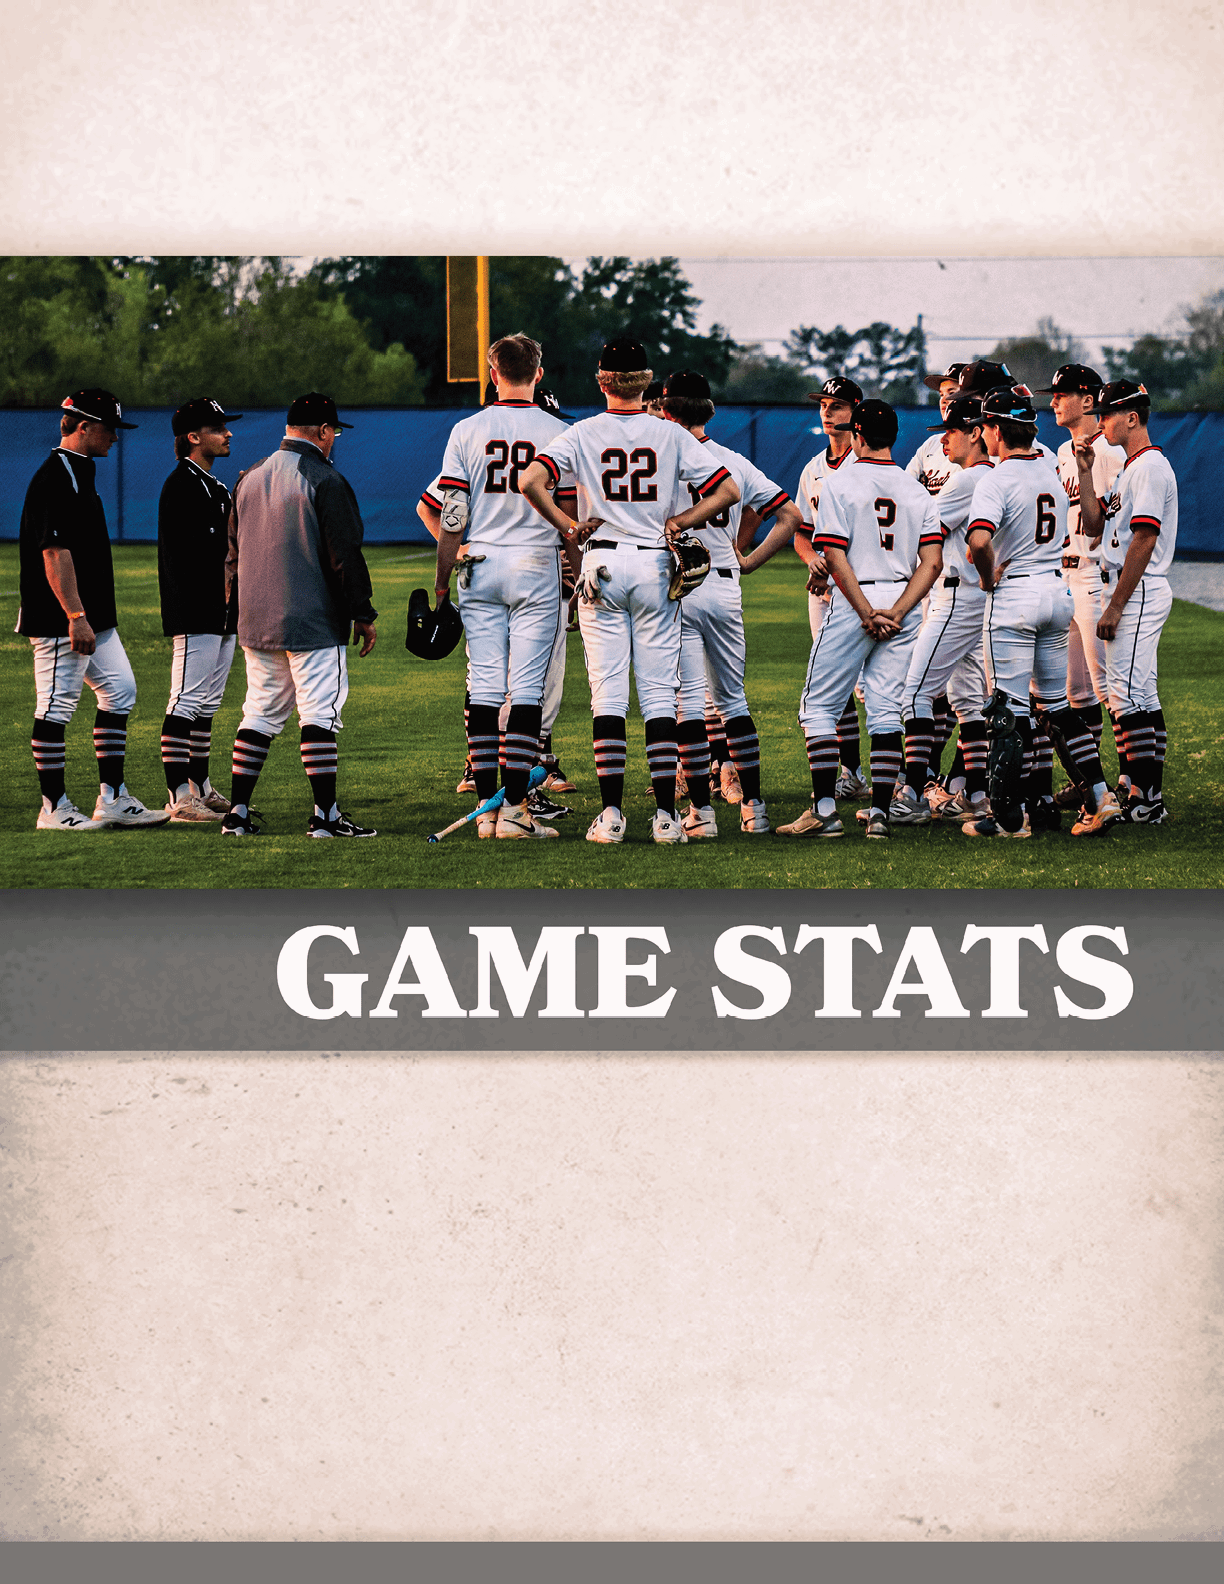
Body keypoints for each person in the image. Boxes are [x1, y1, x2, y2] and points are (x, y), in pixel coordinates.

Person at [519, 336, 740, 845]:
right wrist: (682, 519)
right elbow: (729, 492)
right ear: (647, 385)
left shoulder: (583, 432)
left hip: (603, 564)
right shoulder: (671, 434)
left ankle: (613, 815)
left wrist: (569, 526)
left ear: (603, 381)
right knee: (661, 697)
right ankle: (666, 817)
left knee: (609, 697)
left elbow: (531, 481)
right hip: (655, 564)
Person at [431, 334, 584, 839]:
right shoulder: (559, 431)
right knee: (526, 693)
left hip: (479, 561)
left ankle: (486, 812)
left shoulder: (466, 429)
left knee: (484, 688)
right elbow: (570, 516)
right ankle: (516, 810)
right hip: (536, 563)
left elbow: (451, 513)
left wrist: (440, 577)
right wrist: (576, 568)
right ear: (539, 374)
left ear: (492, 373)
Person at [774, 399, 944, 840]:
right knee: (887, 712)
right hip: (902, 601)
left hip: (856, 596)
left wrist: (866, 611)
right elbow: (932, 562)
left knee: (818, 708)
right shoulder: (916, 489)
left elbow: (832, 552)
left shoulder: (841, 482)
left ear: (859, 435)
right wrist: (900, 611)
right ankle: (882, 813)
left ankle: (825, 811)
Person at [962, 385, 1118, 839]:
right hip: (1056, 593)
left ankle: (1009, 817)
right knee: (1057, 708)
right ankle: (1101, 794)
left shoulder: (996, 477)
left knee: (1006, 711)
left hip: (1014, 596)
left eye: (985, 427)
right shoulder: (1050, 468)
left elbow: (977, 541)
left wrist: (989, 576)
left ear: (994, 429)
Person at [222, 391, 378, 837]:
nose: (335, 440)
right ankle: (325, 817)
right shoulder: (324, 478)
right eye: (334, 433)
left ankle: (237, 814)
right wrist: (362, 613)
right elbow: (344, 556)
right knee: (318, 715)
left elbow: (231, 556)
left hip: (256, 620)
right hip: (312, 619)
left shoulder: (248, 477)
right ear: (324, 432)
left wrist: (237, 609)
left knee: (259, 713)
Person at [18, 388, 169, 831]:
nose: (116, 438)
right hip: (61, 620)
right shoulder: (55, 476)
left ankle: (113, 799)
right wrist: (75, 615)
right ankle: (54, 808)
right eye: (109, 429)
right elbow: (54, 552)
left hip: (93, 619)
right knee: (54, 708)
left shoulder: (80, 472)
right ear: (83, 427)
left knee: (120, 690)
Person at [659, 368, 800, 836]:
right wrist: (748, 561)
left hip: (679, 584)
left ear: (668, 408)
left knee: (688, 709)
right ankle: (755, 809)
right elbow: (790, 516)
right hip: (723, 584)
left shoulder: (662, 458)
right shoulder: (733, 461)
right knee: (733, 701)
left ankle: (702, 814)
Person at [1074, 378, 1177, 827]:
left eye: (1107, 414)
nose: (1101, 422)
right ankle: (1141, 789)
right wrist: (1084, 468)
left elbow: (1145, 537)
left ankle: (1147, 799)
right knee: (1139, 693)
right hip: (1129, 586)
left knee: (1127, 695)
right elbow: (1095, 526)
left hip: (1138, 587)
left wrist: (1115, 604)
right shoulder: (1128, 466)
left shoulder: (1151, 466)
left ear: (1132, 417)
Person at [890, 394, 994, 825]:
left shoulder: (968, 480)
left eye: (951, 431)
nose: (944, 440)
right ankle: (978, 795)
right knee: (968, 700)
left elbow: (922, 529)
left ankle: (912, 792)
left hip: (956, 597)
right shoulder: (996, 474)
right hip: (980, 597)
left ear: (976, 432)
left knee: (914, 694)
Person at [1034, 364, 1126, 803]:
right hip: (1064, 575)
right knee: (1076, 692)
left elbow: (1108, 526)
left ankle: (1134, 785)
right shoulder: (1061, 454)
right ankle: (1091, 781)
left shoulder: (1111, 451)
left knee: (1114, 691)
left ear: (1088, 401)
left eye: (1061, 394)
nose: (1052, 401)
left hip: (1096, 574)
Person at [157, 397, 244, 822]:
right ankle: (179, 797)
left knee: (207, 705)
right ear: (193, 437)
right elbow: (189, 558)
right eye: (217, 428)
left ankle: (201, 787)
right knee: (185, 702)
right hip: (196, 609)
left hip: (222, 610)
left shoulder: (215, 485)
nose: (228, 433)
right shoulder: (182, 484)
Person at [792, 375, 867, 797]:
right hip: (823, 591)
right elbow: (802, 530)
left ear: (855, 410)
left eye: (836, 404)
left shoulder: (868, 462)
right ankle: (852, 773)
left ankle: (905, 780)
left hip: (864, 586)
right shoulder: (813, 468)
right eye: (823, 403)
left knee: (872, 689)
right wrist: (811, 559)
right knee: (830, 682)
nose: (827, 410)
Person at [907, 362, 968, 494]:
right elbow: (904, 488)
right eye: (941, 394)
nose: (944, 400)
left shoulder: (984, 448)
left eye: (951, 392)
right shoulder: (931, 444)